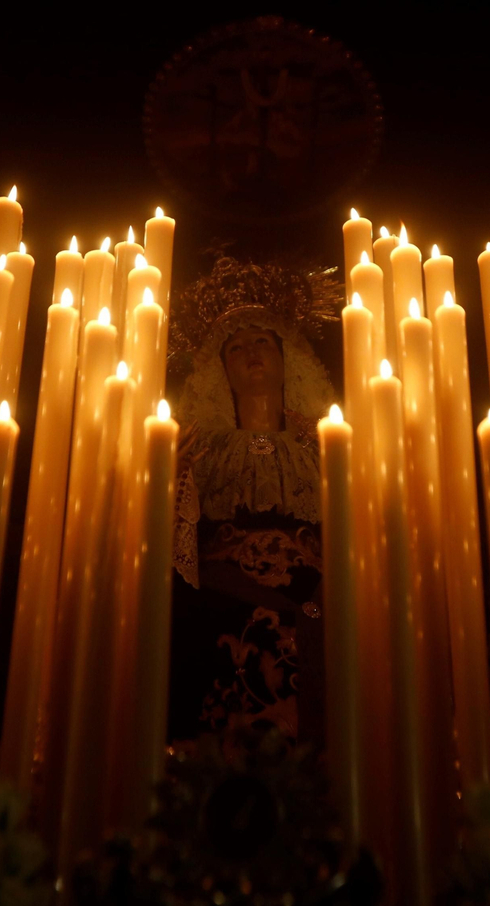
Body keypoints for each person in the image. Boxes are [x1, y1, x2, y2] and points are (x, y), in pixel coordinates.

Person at [166, 258, 339, 746]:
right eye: (236, 348)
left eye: (262, 341)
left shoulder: (328, 446)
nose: (251, 353)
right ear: (221, 371)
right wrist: (166, 482)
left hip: (321, 615)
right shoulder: (198, 448)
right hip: (222, 618)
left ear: (287, 358)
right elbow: (171, 548)